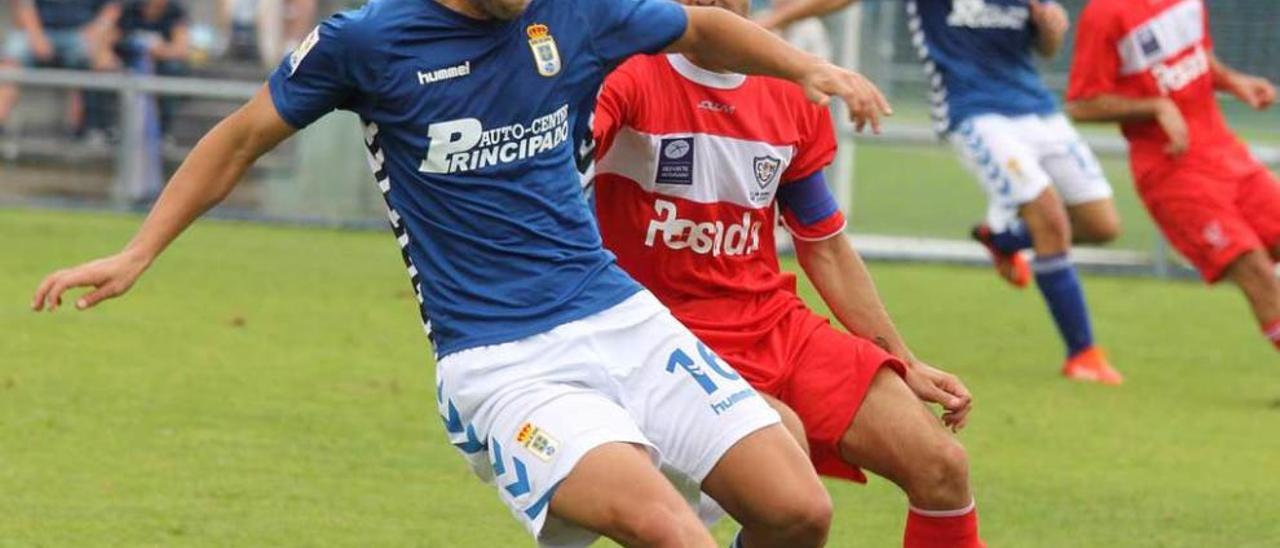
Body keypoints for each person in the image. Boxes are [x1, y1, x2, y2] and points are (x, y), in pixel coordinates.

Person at [30, 0, 896, 545]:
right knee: (671, 532)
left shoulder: (574, 15)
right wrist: (137, 251)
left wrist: (809, 66)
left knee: (799, 511)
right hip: (502, 362)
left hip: (620, 318)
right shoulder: (366, 41)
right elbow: (240, 138)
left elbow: (701, 25)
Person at [591, 0, 982, 545]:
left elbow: (823, 244)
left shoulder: (793, 88)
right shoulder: (623, 74)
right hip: (666, 338)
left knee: (942, 466)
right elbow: (550, 175)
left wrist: (904, 359)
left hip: (774, 325)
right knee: (791, 489)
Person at [758, 0, 1126, 385]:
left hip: (1036, 107)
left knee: (1101, 224)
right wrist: (773, 19)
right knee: (1048, 216)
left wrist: (1051, 30)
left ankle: (1004, 239)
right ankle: (1083, 354)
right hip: (975, 111)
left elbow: (1046, 48)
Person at [1065, 0, 1280, 354]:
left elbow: (1196, 55)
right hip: (1173, 170)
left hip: (1225, 151)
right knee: (1253, 268)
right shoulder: (1106, 12)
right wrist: (1156, 106)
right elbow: (1082, 104)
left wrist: (1232, 80)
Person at [0, 0, 122, 133]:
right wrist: (35, 35)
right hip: (37, 31)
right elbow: (22, 4)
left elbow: (113, 6)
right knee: (10, 58)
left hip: (82, 33)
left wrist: (97, 30)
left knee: (102, 56)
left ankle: (91, 129)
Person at [117, 0, 190, 135]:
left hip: (160, 69)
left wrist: (157, 50)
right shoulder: (130, 8)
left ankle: (163, 132)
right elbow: (111, 38)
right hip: (128, 65)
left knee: (172, 69)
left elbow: (181, 50)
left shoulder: (175, 11)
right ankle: (106, 130)